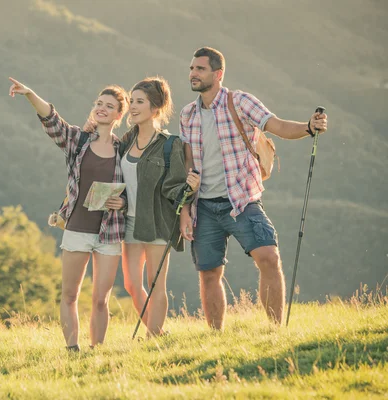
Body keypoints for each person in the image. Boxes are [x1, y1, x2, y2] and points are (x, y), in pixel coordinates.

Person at [178, 47, 329, 330]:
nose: (193, 74)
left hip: (242, 200)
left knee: (269, 258)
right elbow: (188, 165)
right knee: (209, 273)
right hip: (204, 207)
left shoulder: (241, 101)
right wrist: (185, 210)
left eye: (200, 69)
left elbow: (279, 126)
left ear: (218, 74)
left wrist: (309, 127)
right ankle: (215, 337)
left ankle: (274, 330)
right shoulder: (187, 114)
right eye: (191, 68)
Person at [8, 77, 129, 350]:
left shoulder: (125, 150)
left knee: (101, 299)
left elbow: (132, 190)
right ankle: (72, 349)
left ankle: (96, 350)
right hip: (77, 228)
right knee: (70, 295)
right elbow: (52, 120)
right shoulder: (78, 140)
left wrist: (122, 203)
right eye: (98, 103)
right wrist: (29, 94)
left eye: (109, 106)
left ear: (119, 115)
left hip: (110, 232)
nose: (101, 108)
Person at [118, 76, 200, 337]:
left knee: (156, 284)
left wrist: (190, 187)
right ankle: (158, 331)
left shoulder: (169, 145)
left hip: (157, 221)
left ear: (156, 108)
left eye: (139, 102)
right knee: (132, 284)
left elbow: (173, 188)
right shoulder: (125, 142)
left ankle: (152, 336)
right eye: (131, 101)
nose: (132, 106)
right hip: (129, 221)